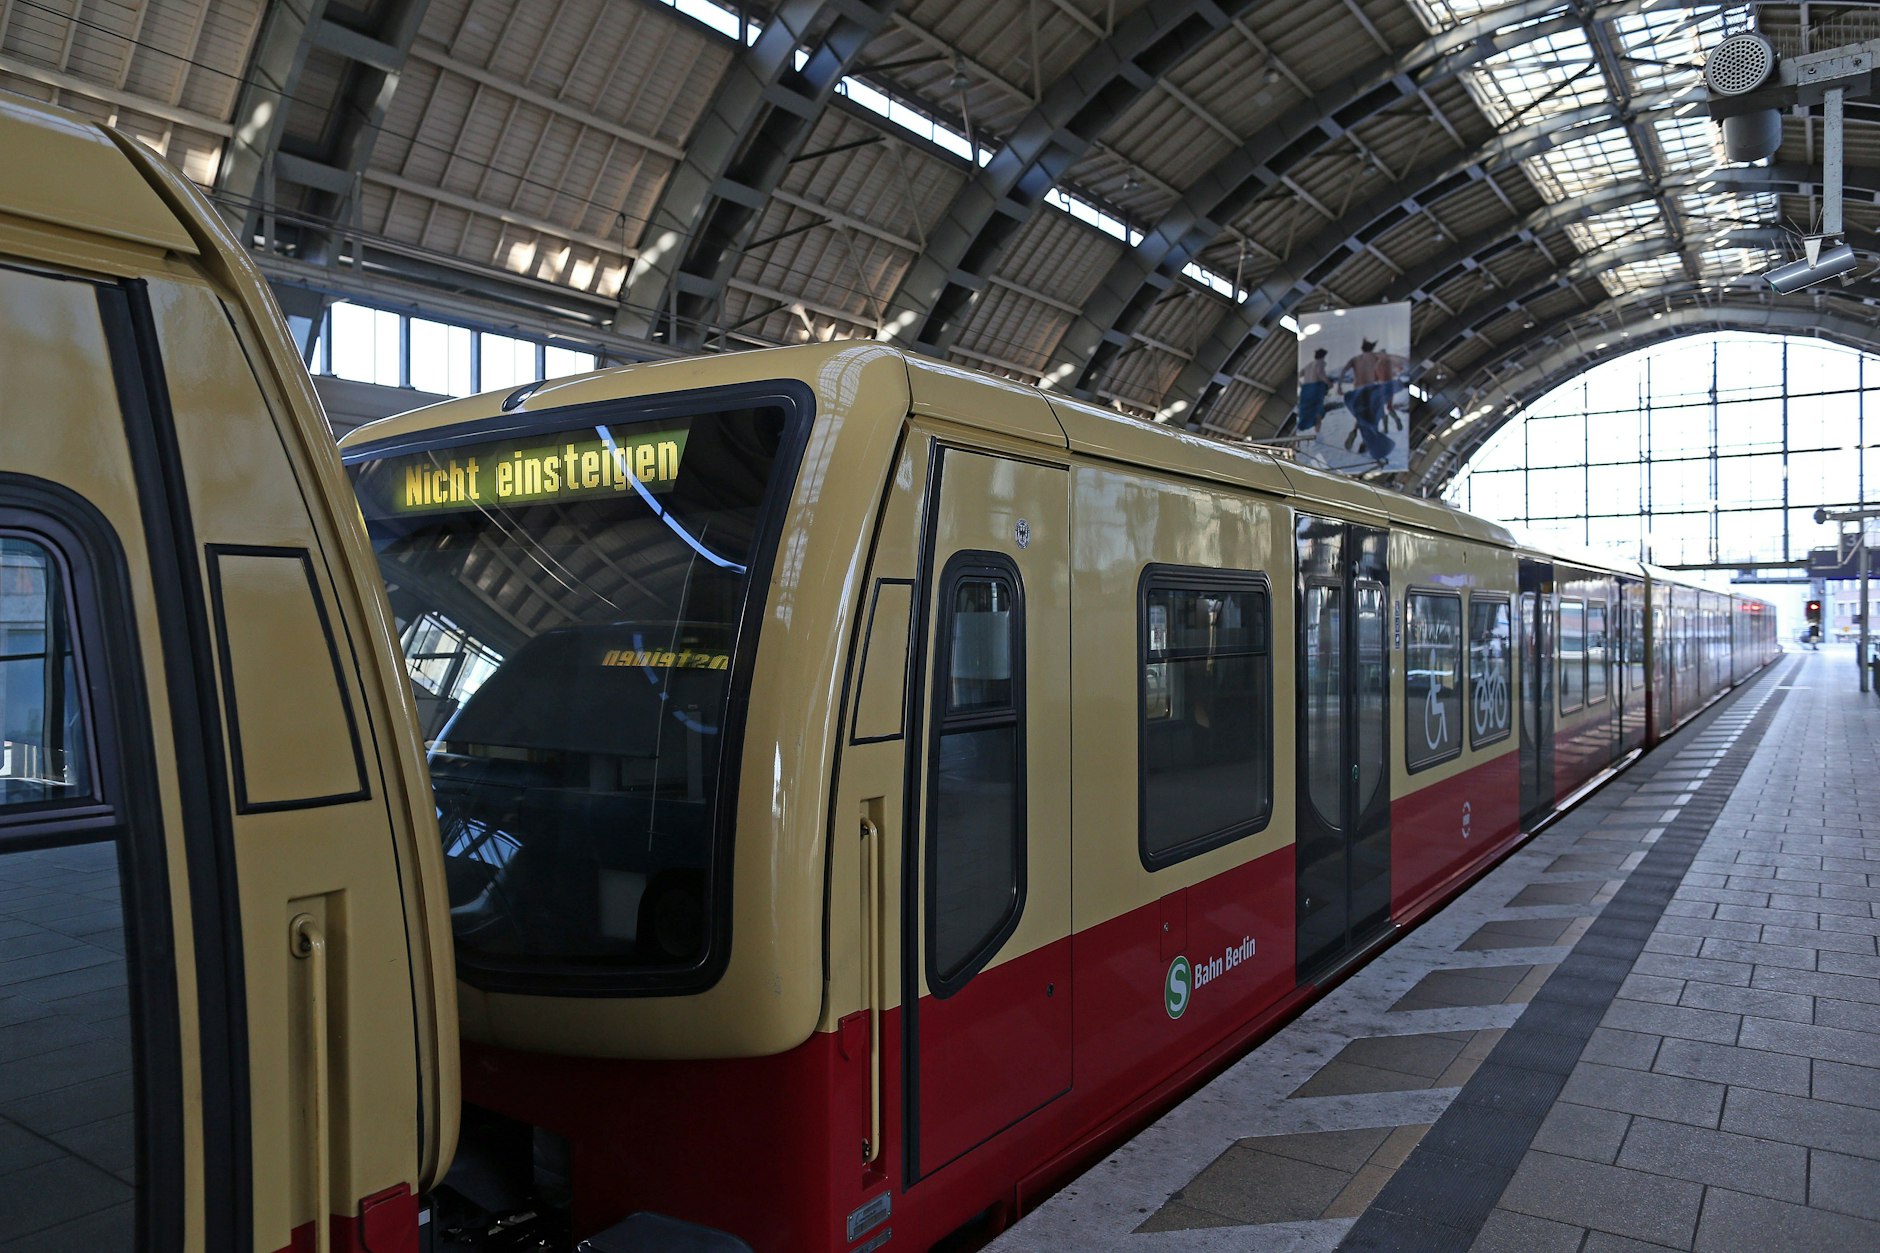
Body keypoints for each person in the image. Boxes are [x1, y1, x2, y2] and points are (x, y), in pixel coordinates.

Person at [1339, 339, 1399, 466]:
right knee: (1372, 418)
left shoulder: (1355, 359)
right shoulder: (1374, 357)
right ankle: (1367, 442)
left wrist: (1339, 386)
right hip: (1370, 392)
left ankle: (1356, 433)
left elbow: (1343, 370)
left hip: (1357, 393)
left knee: (1362, 417)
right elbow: (1388, 360)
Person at [1297, 348, 1332, 434]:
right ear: (1323, 356)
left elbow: (1299, 374)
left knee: (1305, 411)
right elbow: (1320, 373)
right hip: (1315, 388)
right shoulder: (1320, 362)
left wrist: (1300, 384)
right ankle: (1317, 433)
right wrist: (1328, 383)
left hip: (1306, 389)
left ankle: (1301, 428)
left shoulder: (1309, 365)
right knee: (1317, 412)